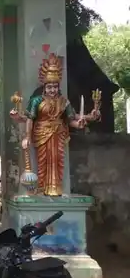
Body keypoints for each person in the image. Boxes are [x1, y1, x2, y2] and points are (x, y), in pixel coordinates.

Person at [22, 53, 96, 196]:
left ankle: (55, 187)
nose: (52, 90)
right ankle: (42, 187)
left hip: (59, 134)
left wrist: (79, 124)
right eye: (49, 87)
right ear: (44, 87)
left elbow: (71, 119)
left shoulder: (63, 101)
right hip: (41, 133)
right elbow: (30, 119)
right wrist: (27, 136)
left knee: (57, 160)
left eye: (55, 87)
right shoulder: (36, 101)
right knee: (43, 161)